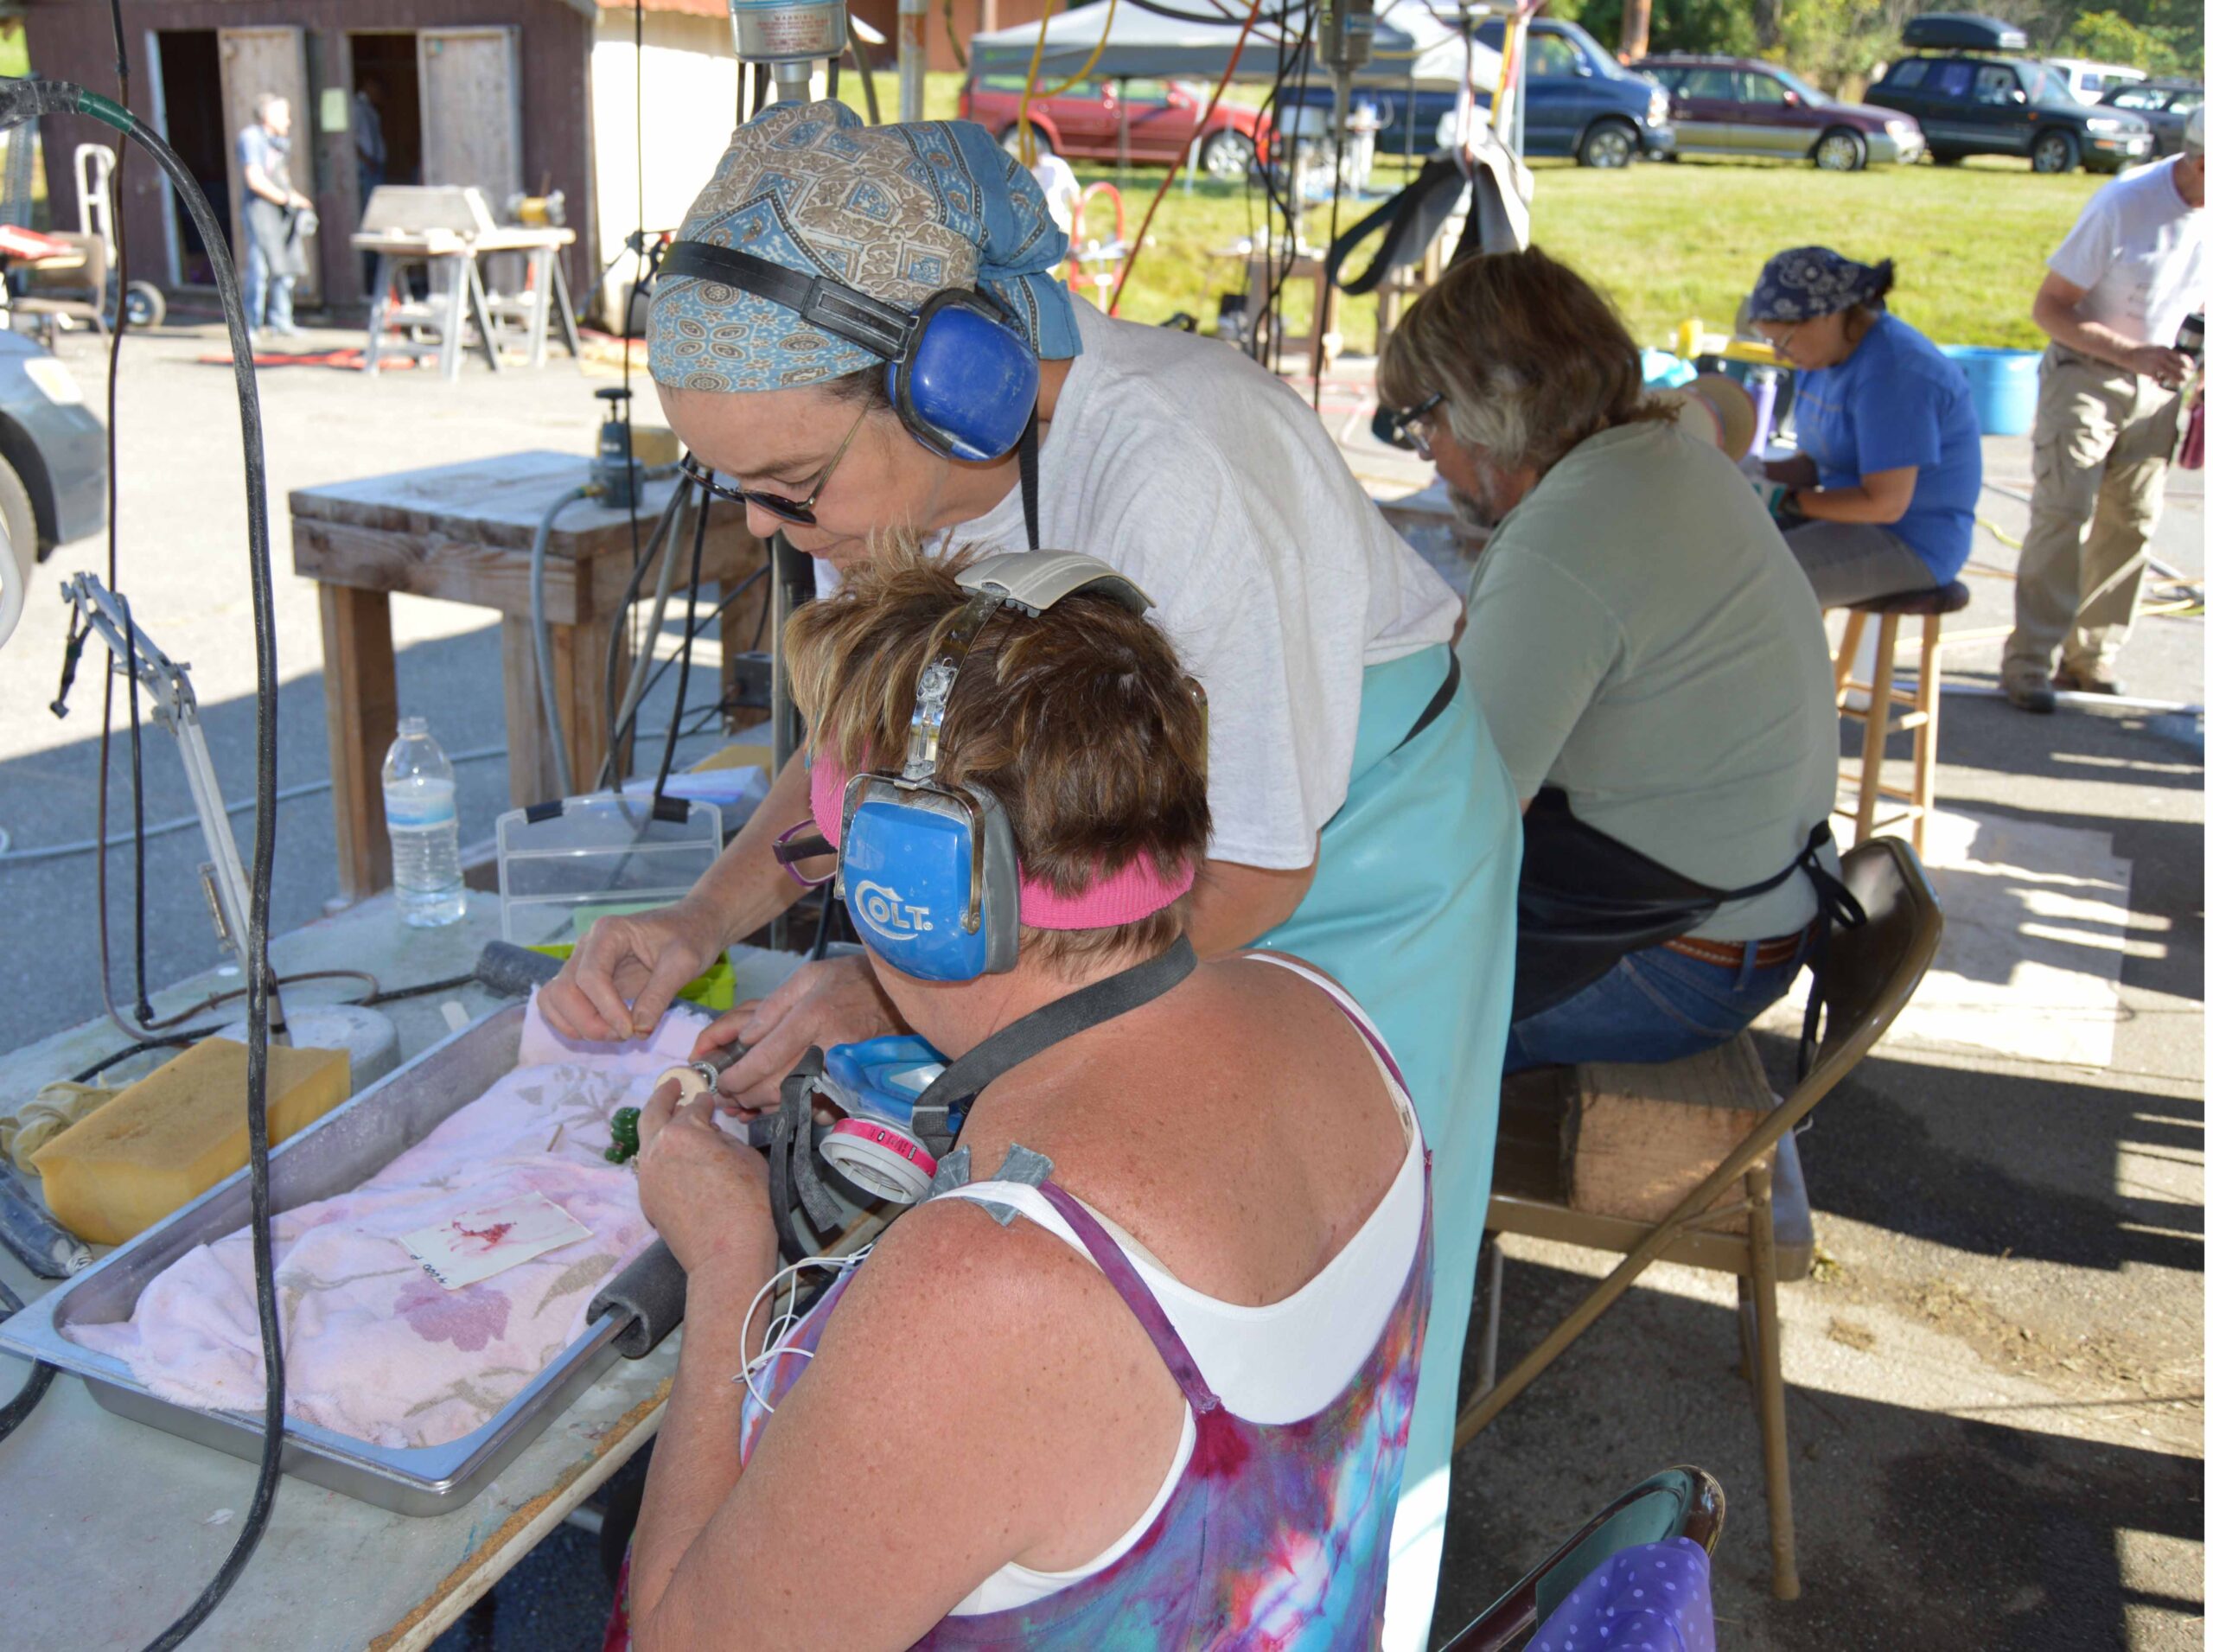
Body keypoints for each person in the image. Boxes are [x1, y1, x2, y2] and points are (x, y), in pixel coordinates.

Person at [540, 99, 1518, 1646]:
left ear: (955, 385)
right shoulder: (873, 475)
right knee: (1119, 1318)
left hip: (1353, 860)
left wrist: (886, 968)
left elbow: (1252, 875)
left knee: (1278, 1287)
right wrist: (703, 916)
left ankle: (1326, 1597)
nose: (774, 527)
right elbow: (873, 727)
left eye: (792, 491)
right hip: (1058, 928)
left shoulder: (1180, 464)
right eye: (741, 492)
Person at [606, 540, 1432, 1649]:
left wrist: (725, 1263)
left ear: (913, 895)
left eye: (832, 847)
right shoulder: (1329, 1018)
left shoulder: (990, 1285)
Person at [1378, 247, 1852, 1070]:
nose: (1435, 457)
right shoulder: (1654, 443)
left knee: (1334, 1024)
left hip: (1679, 959)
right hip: (1752, 904)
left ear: (1487, 406)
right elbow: (1717, 407)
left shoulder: (1570, 534)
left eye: (1427, 427)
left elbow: (1464, 814)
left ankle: (1419, 1195)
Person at [2003, 106, 2205, 712]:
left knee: (2134, 521)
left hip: (2160, 385)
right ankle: (2029, 664)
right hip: (2086, 374)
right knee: (2065, 512)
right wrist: (2130, 351)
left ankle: (2090, 658)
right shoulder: (2125, 203)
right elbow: (2050, 308)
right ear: (2199, 162)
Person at [1744, 246, 1984, 609]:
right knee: (1721, 546)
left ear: (1827, 316)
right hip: (1852, 521)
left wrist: (1782, 500)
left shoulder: (1895, 372)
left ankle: (1778, 666)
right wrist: (1749, 474)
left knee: (1747, 583)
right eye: (1771, 344)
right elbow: (1819, 462)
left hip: (1910, 541)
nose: (1780, 355)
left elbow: (1884, 505)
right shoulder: (1823, 357)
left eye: (1784, 342)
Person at [236, 93, 311, 339]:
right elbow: (255, 180)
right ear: (268, 116)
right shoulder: (251, 139)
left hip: (280, 210)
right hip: (260, 210)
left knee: (285, 265)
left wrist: (296, 199)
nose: (288, 122)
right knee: (260, 268)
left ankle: (281, 321)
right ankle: (251, 326)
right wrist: (287, 198)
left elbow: (282, 177)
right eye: (284, 115)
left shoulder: (279, 142)